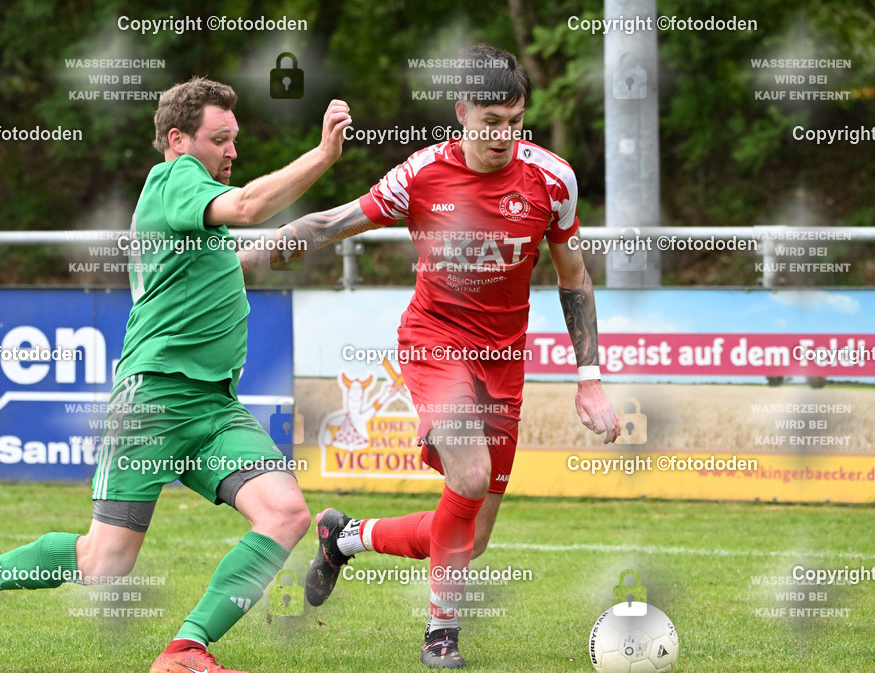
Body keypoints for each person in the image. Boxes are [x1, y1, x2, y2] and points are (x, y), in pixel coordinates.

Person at [0, 77, 352, 673]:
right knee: (105, 563)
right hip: (155, 400)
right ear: (177, 140)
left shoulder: (197, 214)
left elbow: (256, 249)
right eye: (219, 139)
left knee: (286, 515)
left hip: (214, 406)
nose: (232, 151)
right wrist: (323, 156)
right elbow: (252, 206)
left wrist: (355, 217)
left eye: (234, 140)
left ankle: (185, 650)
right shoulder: (175, 180)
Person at [238, 44, 620, 669]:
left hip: (503, 363)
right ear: (462, 111)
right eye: (491, 122)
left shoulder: (553, 180)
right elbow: (335, 223)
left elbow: (573, 277)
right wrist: (254, 253)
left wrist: (590, 379)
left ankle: (346, 537)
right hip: (435, 342)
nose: (504, 137)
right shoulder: (422, 174)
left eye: (516, 122)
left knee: (472, 536)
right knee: (467, 479)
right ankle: (442, 633)